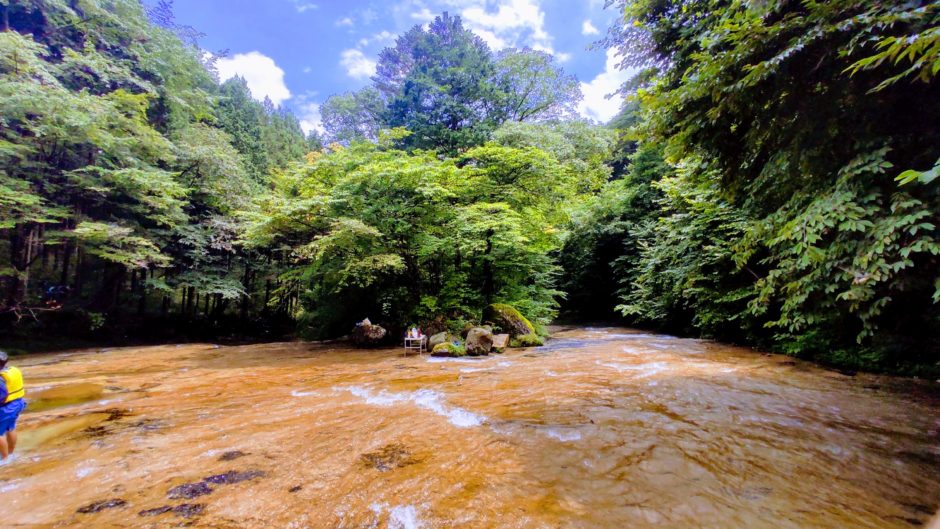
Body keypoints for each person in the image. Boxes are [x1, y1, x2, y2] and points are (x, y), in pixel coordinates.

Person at [0, 350, 26, 462]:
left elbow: (2, 396)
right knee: (10, 428)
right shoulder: (13, 370)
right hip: (18, 403)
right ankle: (10, 454)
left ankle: (4, 459)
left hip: (6, 407)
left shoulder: (1, 378)